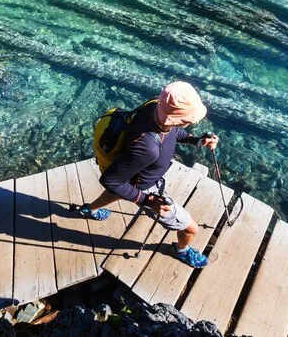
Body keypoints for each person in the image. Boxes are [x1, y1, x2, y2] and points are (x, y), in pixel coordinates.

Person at [79, 81, 219, 268]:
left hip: (131, 173)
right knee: (190, 228)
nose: (190, 123)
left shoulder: (155, 106)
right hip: (146, 186)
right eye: (188, 120)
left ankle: (90, 209)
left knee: (120, 188)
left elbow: (174, 132)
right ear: (174, 118)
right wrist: (147, 200)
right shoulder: (147, 148)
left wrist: (196, 140)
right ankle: (181, 250)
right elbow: (110, 180)